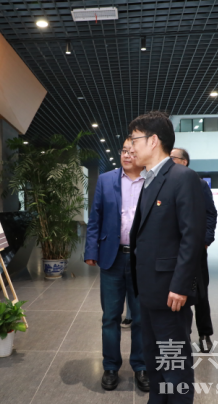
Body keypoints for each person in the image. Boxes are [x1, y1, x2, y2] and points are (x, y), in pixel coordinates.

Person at [128, 111, 206, 403]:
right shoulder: (150, 179)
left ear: (153, 141)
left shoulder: (182, 177)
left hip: (170, 290)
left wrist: (180, 285)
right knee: (154, 358)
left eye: (135, 139)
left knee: (174, 363)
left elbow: (191, 237)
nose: (130, 147)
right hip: (149, 288)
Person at [84, 137, 149, 392]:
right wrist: (91, 250)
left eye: (132, 151)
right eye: (123, 151)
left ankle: (141, 366)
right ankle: (110, 366)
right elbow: (95, 217)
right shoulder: (106, 180)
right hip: (112, 257)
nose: (127, 155)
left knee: (141, 317)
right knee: (110, 316)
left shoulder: (151, 180)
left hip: (142, 259)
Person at [169, 147, 217, 353]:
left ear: (184, 162)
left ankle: (205, 333)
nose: (169, 161)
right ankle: (184, 334)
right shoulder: (167, 183)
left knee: (200, 292)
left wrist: (205, 240)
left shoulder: (199, 184)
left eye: (173, 158)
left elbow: (210, 214)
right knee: (178, 291)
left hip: (196, 248)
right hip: (173, 249)